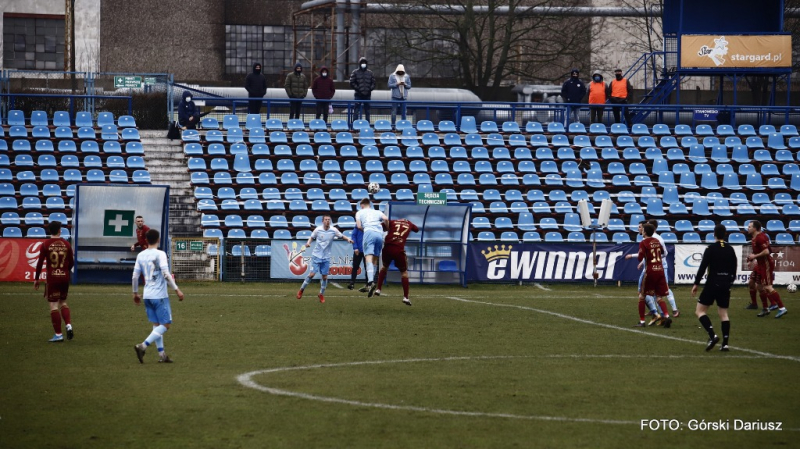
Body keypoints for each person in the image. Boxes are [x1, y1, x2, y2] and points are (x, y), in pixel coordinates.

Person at [133, 229, 184, 364]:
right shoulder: (160, 254)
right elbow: (166, 274)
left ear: (146, 240)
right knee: (166, 325)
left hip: (147, 295)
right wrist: (177, 290)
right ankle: (142, 346)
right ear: (158, 240)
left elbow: (135, 276)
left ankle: (162, 355)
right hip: (159, 296)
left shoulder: (141, 255)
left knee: (157, 325)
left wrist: (135, 293)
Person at [692, 224, 737, 352]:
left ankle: (713, 336)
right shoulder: (730, 249)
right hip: (725, 284)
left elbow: (703, 267)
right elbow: (734, 268)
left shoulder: (710, 248)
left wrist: (696, 284)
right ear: (725, 234)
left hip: (712, 283)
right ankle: (725, 344)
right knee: (723, 314)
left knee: (700, 311)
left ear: (714, 234)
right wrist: (730, 282)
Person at [296, 215, 354, 303]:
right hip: (316, 255)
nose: (327, 221)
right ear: (323, 221)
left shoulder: (333, 230)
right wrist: (308, 243)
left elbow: (341, 236)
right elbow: (312, 237)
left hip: (326, 257)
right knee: (312, 275)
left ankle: (321, 294)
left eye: (329, 220)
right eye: (326, 220)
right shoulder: (318, 229)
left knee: (324, 277)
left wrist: (348, 240)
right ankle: (301, 290)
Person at [34, 221, 75, 342]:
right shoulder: (66, 244)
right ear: (59, 230)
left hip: (52, 278)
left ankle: (58, 334)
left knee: (53, 305)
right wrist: (65, 271)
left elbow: (40, 263)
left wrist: (36, 279)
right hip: (64, 277)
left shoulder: (45, 244)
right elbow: (71, 262)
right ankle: (68, 324)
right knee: (63, 302)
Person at [746, 220, 788, 318]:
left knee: (768, 287)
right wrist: (752, 258)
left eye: (749, 227)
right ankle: (765, 308)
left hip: (766, 264)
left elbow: (766, 252)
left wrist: (754, 256)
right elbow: (766, 250)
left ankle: (782, 308)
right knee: (760, 287)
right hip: (760, 264)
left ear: (755, 228)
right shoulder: (754, 238)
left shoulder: (760, 238)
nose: (748, 228)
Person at [373, 218, 420, 306]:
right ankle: (406, 297)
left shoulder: (393, 221)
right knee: (404, 273)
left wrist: (387, 228)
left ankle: (378, 289)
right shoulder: (409, 223)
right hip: (398, 248)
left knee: (384, 267)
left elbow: (381, 226)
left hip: (387, 247)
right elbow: (417, 230)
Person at [636, 223, 673, 328]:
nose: (641, 231)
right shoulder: (657, 241)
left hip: (650, 271)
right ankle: (666, 315)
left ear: (645, 232)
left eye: (642, 230)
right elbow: (662, 252)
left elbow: (640, 257)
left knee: (642, 296)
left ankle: (642, 321)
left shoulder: (643, 242)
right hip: (660, 270)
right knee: (659, 296)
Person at [355, 198, 389, 297]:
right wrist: (387, 227)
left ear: (362, 205)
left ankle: (370, 283)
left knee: (368, 258)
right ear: (369, 205)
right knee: (375, 259)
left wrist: (365, 229)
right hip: (379, 234)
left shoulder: (359, 212)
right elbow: (386, 219)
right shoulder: (377, 211)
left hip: (369, 232)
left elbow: (358, 226)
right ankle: (371, 283)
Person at [646, 218, 680, 317]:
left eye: (648, 225)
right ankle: (654, 310)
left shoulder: (659, 239)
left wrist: (655, 258)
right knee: (650, 288)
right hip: (651, 266)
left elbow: (665, 253)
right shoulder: (647, 238)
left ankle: (674, 309)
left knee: (664, 288)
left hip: (661, 267)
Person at [349, 56, 376, 123]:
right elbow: (352, 82)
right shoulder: (355, 72)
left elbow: (373, 83)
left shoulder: (370, 73)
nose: (363, 64)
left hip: (367, 95)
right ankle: (354, 124)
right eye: (362, 63)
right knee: (356, 110)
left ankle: (367, 124)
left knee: (367, 111)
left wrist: (369, 89)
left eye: (364, 63)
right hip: (358, 94)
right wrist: (358, 89)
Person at [348, 225, 369, 291]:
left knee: (367, 268)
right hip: (358, 250)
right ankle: (352, 283)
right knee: (355, 266)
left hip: (367, 250)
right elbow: (353, 236)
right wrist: (355, 247)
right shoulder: (358, 226)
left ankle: (368, 284)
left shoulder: (370, 225)